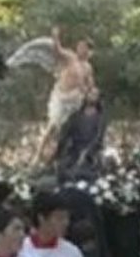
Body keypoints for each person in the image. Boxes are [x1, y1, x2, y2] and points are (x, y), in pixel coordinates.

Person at [34, 26, 96, 166]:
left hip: (75, 99)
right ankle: (38, 155)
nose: (81, 49)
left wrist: (89, 92)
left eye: (84, 47)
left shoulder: (87, 67)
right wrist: (56, 37)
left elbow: (91, 86)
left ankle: (63, 155)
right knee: (53, 124)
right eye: (80, 46)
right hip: (61, 96)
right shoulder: (70, 57)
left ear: (89, 52)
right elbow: (58, 51)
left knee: (70, 128)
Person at [55, 87, 107, 181]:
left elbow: (98, 138)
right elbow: (65, 134)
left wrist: (87, 152)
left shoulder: (100, 118)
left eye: (95, 94)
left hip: (91, 155)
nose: (92, 96)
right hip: (74, 151)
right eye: (90, 93)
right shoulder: (76, 116)